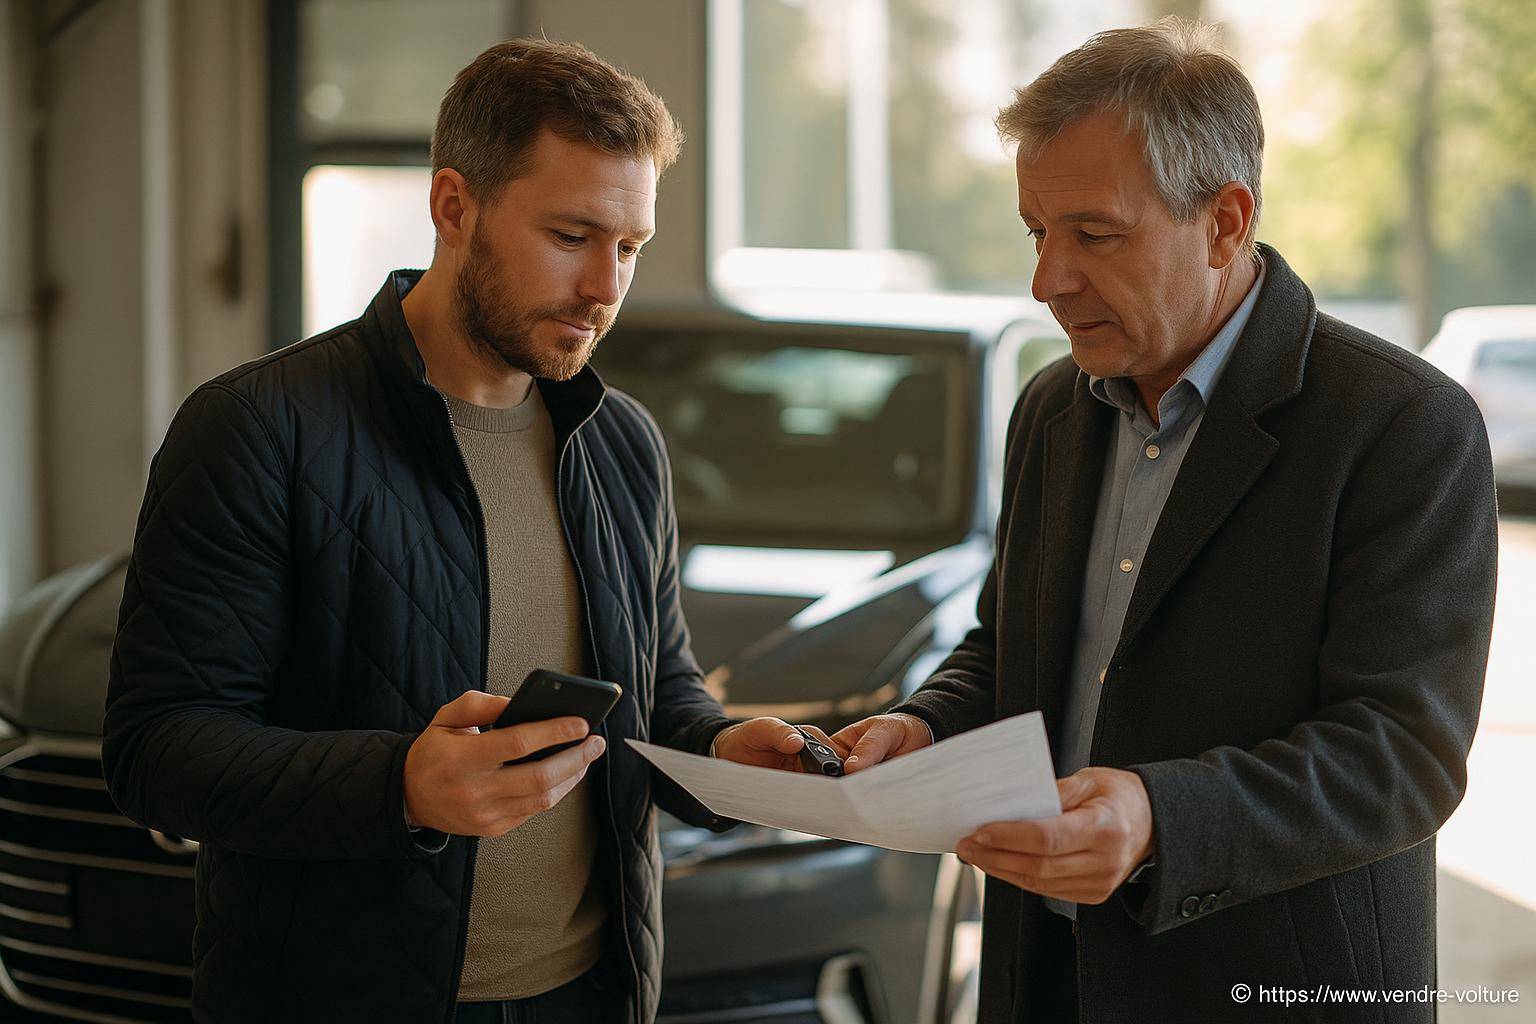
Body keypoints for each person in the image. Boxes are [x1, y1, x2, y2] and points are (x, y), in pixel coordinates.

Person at [102, 38, 819, 1024]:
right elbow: (158, 749)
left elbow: (658, 697)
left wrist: (731, 753)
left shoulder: (623, 444)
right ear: (453, 206)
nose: (606, 286)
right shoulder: (260, 428)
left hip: (588, 993)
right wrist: (399, 782)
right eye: (571, 235)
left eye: (629, 247)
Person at [831, 18, 1498, 1024]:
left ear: (1226, 222)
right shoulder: (1053, 408)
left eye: (1093, 234)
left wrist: (1157, 816)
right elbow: (1008, 646)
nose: (1047, 280)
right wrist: (924, 723)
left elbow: (1402, 752)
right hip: (1045, 978)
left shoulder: (1403, 423)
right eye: (1037, 232)